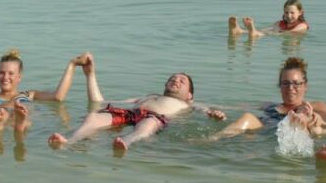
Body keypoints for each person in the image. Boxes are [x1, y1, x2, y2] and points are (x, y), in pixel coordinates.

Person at [48, 53, 225, 154]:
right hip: (129, 113)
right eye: (173, 78)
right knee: (93, 116)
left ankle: (126, 141)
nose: (176, 81)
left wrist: (212, 113)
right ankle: (70, 141)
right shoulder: (146, 97)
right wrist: (90, 75)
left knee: (148, 124)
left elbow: (204, 109)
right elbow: (98, 102)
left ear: (190, 95)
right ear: (165, 85)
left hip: (155, 118)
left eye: (182, 81)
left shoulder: (188, 104)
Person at [0, 49, 91, 134]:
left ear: (19, 77)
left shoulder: (29, 95)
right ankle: (7, 126)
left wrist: (72, 64)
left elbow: (58, 96)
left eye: (10, 73)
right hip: (6, 119)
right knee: (5, 114)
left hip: (25, 121)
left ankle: (12, 126)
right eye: (1, 73)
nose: (5, 77)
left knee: (21, 114)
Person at [210, 57, 326, 140]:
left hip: (291, 132)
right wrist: (209, 110)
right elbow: (231, 107)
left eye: (296, 83)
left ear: (305, 86)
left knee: (300, 121)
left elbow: (323, 120)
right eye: (285, 83)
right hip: (263, 132)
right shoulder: (270, 106)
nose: (290, 88)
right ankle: (212, 139)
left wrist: (314, 117)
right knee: (247, 117)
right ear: (280, 86)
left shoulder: (315, 106)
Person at [228, 0, 309, 38]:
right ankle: (240, 31)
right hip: (280, 30)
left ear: (300, 13)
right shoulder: (280, 23)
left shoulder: (302, 25)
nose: (289, 15)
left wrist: (274, 33)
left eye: (292, 13)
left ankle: (254, 33)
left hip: (289, 39)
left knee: (269, 32)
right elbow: (267, 30)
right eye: (286, 12)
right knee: (264, 30)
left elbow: (290, 33)